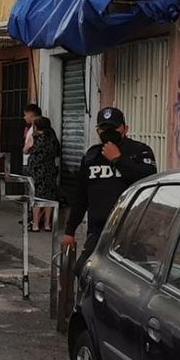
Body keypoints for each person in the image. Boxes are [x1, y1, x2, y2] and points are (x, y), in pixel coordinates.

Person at [62, 106, 158, 266]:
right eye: (103, 128)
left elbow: (149, 179)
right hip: (100, 231)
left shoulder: (140, 151)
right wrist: (69, 231)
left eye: (114, 128)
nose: (108, 132)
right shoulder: (91, 156)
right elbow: (81, 197)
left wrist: (118, 159)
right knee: (84, 271)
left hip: (132, 231)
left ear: (125, 129)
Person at [27, 116, 63, 232]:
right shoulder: (52, 138)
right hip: (50, 170)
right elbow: (58, 153)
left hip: (37, 170)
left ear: (36, 127)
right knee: (49, 196)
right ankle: (47, 224)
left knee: (37, 196)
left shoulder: (35, 138)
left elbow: (25, 150)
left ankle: (36, 224)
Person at [21, 103, 42, 174]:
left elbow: (26, 149)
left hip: (31, 164)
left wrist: (25, 149)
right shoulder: (48, 130)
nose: (24, 117)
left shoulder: (36, 130)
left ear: (31, 114)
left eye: (25, 115)